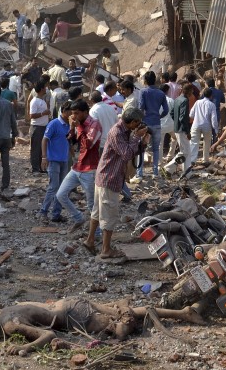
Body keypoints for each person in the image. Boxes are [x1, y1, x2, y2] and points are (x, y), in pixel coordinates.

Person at [83, 107, 146, 260]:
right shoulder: (117, 132)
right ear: (132, 122)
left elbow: (132, 152)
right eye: (137, 123)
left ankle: (90, 240)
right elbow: (126, 154)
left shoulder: (124, 131)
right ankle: (106, 250)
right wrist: (137, 137)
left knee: (98, 212)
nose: (137, 126)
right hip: (110, 178)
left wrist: (141, 142)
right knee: (109, 215)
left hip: (106, 176)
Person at [57, 100, 102, 232]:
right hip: (78, 166)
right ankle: (78, 218)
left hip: (90, 169)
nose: (74, 116)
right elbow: (71, 141)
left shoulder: (95, 124)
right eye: (72, 113)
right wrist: (72, 128)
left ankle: (97, 233)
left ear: (85, 112)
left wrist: (79, 127)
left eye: (76, 113)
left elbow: (88, 144)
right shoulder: (78, 124)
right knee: (61, 195)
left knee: (91, 204)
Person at [130, 71, 168, 182]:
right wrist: (159, 116)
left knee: (141, 149)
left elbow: (141, 107)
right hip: (156, 124)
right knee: (156, 149)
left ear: (145, 81)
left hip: (145, 124)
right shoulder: (161, 93)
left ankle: (140, 173)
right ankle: (155, 172)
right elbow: (166, 110)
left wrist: (138, 121)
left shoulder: (143, 92)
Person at [39, 101, 72, 223]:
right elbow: (44, 140)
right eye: (70, 112)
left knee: (62, 188)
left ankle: (56, 214)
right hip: (53, 160)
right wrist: (44, 157)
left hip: (64, 160)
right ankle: (43, 212)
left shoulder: (69, 125)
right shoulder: (54, 124)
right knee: (53, 187)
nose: (72, 115)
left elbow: (69, 141)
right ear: (64, 111)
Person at [169, 83, 195, 175]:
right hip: (182, 129)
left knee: (185, 151)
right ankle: (168, 168)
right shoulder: (184, 100)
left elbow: (172, 113)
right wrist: (187, 131)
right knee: (185, 152)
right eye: (191, 91)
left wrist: (177, 123)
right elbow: (182, 117)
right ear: (187, 91)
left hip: (177, 128)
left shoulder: (177, 99)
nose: (192, 93)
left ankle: (187, 173)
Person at [190, 88, 219, 166]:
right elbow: (214, 119)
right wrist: (216, 130)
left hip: (196, 125)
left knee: (194, 143)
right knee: (207, 143)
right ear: (211, 96)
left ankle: (192, 160)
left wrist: (196, 117)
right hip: (207, 126)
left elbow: (191, 114)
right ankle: (205, 160)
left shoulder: (197, 102)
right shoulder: (212, 105)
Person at [29, 82, 50, 173]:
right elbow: (31, 115)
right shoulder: (34, 101)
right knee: (36, 148)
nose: (46, 89)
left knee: (42, 148)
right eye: (45, 87)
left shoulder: (42, 100)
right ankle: (35, 168)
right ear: (41, 89)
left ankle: (41, 167)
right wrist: (43, 114)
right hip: (37, 127)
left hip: (43, 127)